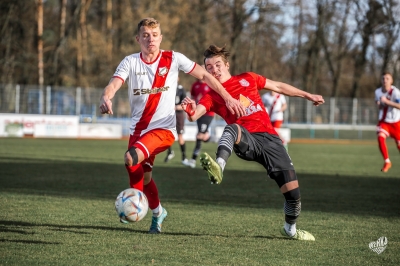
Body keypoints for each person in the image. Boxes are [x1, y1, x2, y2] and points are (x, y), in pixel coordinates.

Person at [99, 19, 245, 234]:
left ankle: (133, 206)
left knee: (130, 158)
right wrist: (106, 97)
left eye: (155, 34)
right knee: (144, 177)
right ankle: (158, 213)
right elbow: (115, 83)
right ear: (138, 39)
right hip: (138, 131)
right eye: (146, 34)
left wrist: (228, 97)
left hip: (164, 130)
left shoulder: (174, 58)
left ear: (161, 38)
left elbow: (205, 75)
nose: (151, 38)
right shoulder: (130, 62)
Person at [181, 44, 325, 241]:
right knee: (232, 128)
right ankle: (219, 167)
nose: (214, 69)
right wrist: (190, 112)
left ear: (227, 65)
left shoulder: (248, 78)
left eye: (217, 64)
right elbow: (195, 114)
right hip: (247, 139)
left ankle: (290, 229)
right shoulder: (212, 96)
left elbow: (279, 87)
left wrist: (308, 95)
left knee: (294, 196)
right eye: (209, 67)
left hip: (272, 140)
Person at [182, 77, 215, 168]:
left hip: (208, 113)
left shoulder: (210, 85)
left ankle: (193, 160)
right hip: (198, 113)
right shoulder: (195, 85)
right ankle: (208, 136)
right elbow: (192, 97)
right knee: (202, 135)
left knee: (199, 136)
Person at [375, 72, 400, 173]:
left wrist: (387, 101)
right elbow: (379, 105)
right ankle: (387, 161)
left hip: (395, 122)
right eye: (383, 78)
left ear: (391, 81)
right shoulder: (377, 92)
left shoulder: (396, 92)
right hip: (384, 121)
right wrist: (379, 104)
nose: (385, 80)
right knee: (380, 137)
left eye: (387, 78)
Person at [164, 80, 189, 164]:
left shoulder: (181, 89)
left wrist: (175, 107)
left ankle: (184, 157)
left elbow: (185, 105)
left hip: (179, 116)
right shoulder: (167, 88)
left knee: (180, 136)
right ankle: (170, 151)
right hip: (168, 114)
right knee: (166, 134)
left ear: (178, 78)